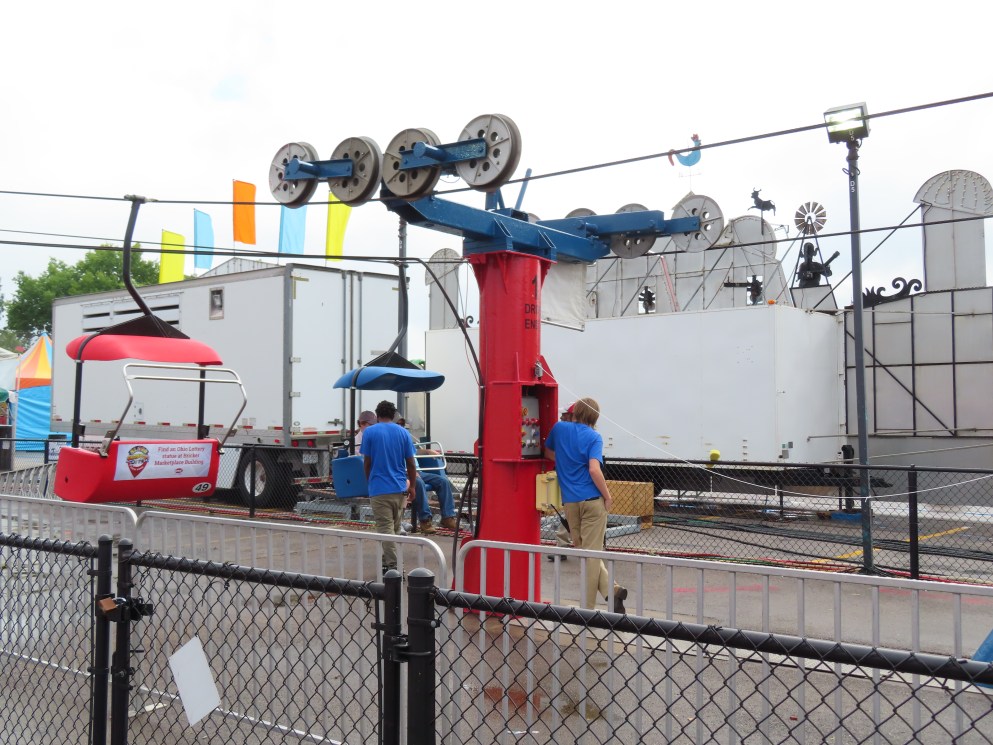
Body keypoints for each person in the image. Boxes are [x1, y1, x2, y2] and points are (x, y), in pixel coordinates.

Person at [544, 397, 628, 613]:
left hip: (570, 502)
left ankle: (612, 591)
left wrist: (565, 461)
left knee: (584, 551)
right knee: (592, 555)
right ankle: (588, 610)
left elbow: (547, 452)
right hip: (592, 501)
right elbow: (594, 469)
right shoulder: (594, 437)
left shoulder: (559, 428)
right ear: (595, 416)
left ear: (576, 411)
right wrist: (607, 496)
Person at [360, 400, 417, 573]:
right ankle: (388, 562)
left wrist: (369, 481)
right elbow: (411, 463)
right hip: (400, 488)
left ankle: (394, 567)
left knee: (385, 530)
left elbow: (367, 462)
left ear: (377, 415)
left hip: (379, 488)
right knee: (395, 529)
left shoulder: (369, 432)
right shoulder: (403, 433)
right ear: (393, 416)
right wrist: (412, 486)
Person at [412, 449, 459, 533]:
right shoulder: (397, 444)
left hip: (419, 472)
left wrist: (427, 451)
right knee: (419, 483)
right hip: (405, 472)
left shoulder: (407, 442)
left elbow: (415, 451)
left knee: (443, 481)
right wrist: (411, 471)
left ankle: (447, 517)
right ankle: (425, 520)